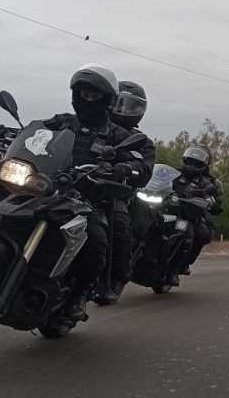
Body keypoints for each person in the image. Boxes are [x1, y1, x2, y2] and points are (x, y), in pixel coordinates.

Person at [43, 63, 153, 326]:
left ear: (106, 100)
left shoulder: (125, 137)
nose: (88, 100)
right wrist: (7, 134)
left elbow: (143, 166)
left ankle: (82, 294)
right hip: (50, 189)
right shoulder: (63, 121)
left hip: (90, 197)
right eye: (84, 94)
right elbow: (36, 134)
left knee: (101, 236)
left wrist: (125, 168)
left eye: (95, 95)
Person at [98, 80, 157, 305]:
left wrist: (129, 168)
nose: (123, 110)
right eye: (119, 102)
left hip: (114, 192)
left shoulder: (140, 141)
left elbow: (145, 170)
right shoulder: (87, 123)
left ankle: (114, 279)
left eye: (132, 106)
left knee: (121, 226)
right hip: (72, 185)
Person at [167, 145, 223, 286]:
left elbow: (216, 202)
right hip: (167, 209)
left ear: (204, 164)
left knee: (190, 233)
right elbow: (158, 179)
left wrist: (210, 199)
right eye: (191, 160)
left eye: (196, 162)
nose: (192, 164)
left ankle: (175, 268)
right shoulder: (174, 172)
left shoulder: (208, 182)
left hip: (188, 216)